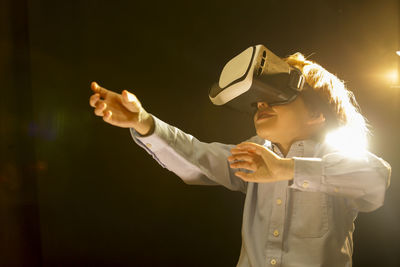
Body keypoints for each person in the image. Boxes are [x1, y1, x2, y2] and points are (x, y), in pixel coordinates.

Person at [89, 52, 391, 267]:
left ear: (316, 113)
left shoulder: (337, 155)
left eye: (277, 97)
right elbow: (197, 156)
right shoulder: (254, 151)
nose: (261, 104)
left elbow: (375, 176)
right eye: (259, 99)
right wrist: (143, 121)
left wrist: (285, 169)